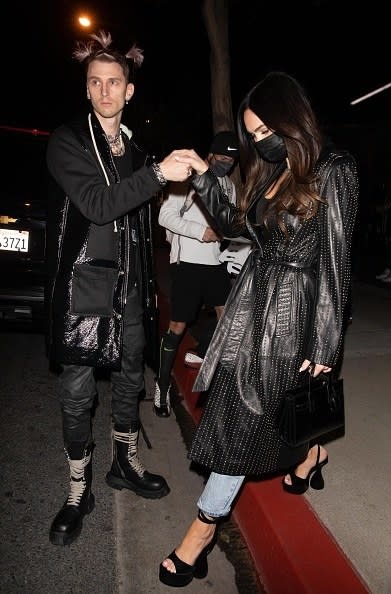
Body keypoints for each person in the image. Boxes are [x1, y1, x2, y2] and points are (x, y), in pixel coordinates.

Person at [158, 71, 359, 587]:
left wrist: (326, 344)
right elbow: (233, 223)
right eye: (253, 132)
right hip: (254, 305)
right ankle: (312, 453)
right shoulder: (269, 173)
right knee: (253, 412)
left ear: (292, 119)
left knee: (241, 424)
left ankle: (199, 536)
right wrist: (203, 173)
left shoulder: (334, 170)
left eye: (267, 129)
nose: (260, 140)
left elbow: (337, 266)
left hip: (293, 316)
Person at [45, 30, 198, 546]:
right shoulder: (67, 141)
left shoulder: (133, 149)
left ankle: (124, 465)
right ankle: (76, 490)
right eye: (96, 83)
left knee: (131, 377)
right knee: (76, 394)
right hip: (86, 287)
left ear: (128, 91)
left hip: (132, 289)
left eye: (115, 82)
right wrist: (158, 173)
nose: (106, 91)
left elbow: (145, 213)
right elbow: (98, 204)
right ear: (86, 90)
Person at [153, 131, 239, 417]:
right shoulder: (187, 177)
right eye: (222, 157)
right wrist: (200, 232)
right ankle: (162, 385)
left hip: (215, 263)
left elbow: (231, 221)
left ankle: (210, 368)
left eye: (231, 159)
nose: (225, 163)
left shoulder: (228, 185)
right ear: (210, 154)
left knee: (229, 317)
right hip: (187, 262)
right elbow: (165, 217)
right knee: (177, 327)